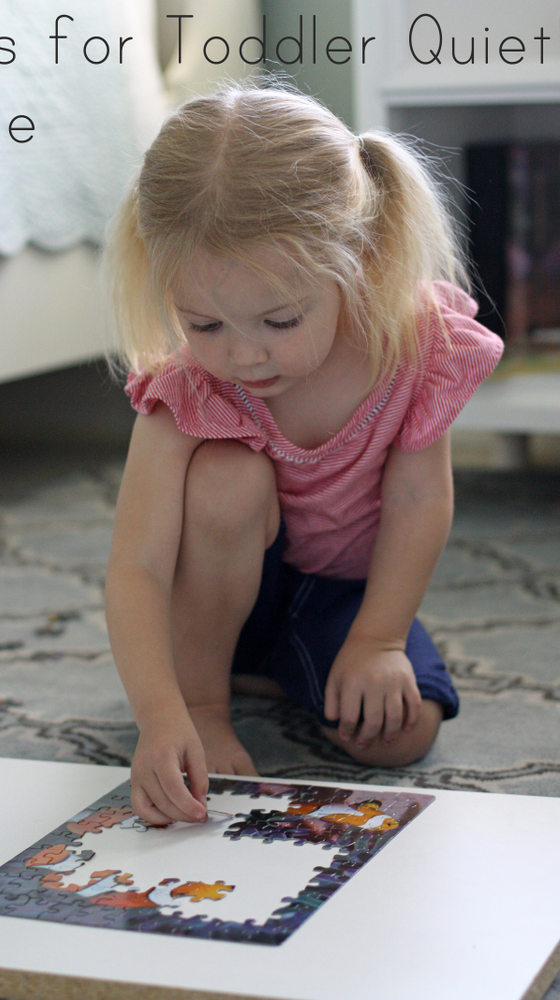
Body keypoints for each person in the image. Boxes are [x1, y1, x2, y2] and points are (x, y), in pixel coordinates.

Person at [103, 85, 503, 826]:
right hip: (216, 600)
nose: (244, 353)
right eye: (204, 322)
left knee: (401, 733)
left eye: (280, 319)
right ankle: (212, 685)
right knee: (228, 475)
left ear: (358, 257)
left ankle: (281, 669)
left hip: (345, 596)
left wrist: (379, 639)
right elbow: (138, 566)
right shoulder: (189, 388)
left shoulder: (412, 344)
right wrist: (170, 716)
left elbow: (419, 499)